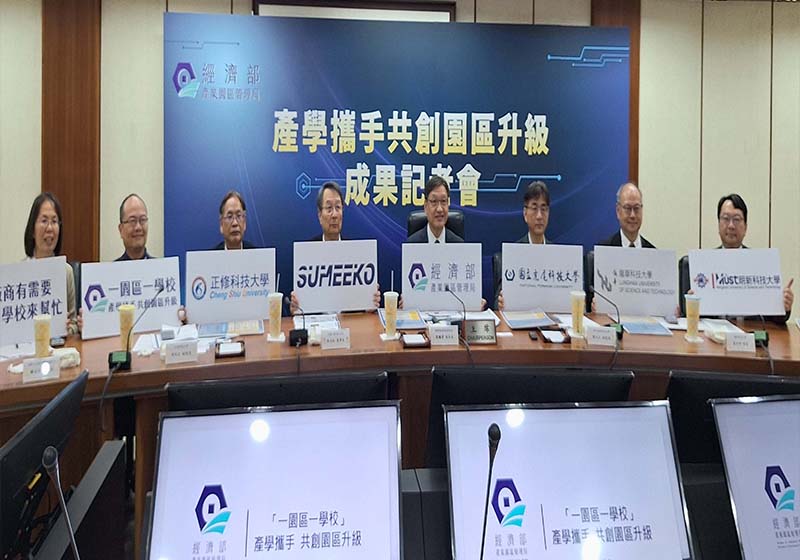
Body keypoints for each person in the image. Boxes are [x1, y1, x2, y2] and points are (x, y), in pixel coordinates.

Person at [682, 194, 793, 323]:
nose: (731, 226)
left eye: (736, 219)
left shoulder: (760, 264)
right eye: (725, 219)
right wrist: (690, 305)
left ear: (745, 227)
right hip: (714, 333)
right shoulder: (703, 264)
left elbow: (775, 320)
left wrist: (784, 306)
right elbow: (691, 319)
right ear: (718, 224)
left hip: (750, 333)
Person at [290, 182, 380, 313]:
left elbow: (363, 308)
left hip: (349, 324)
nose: (334, 215)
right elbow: (299, 307)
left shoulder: (356, 253)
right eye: (329, 208)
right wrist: (296, 307)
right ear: (319, 215)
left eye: (338, 207)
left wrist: (369, 304)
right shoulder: (307, 253)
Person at [24, 192, 77, 336]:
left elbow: (74, 324)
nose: (50, 228)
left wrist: (68, 328)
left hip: (58, 347)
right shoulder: (20, 272)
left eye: (54, 221)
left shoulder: (66, 271)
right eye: (44, 221)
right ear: (32, 230)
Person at [496, 181, 551, 310]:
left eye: (543, 209)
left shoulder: (558, 256)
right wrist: (501, 303)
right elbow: (496, 302)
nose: (539, 216)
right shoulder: (512, 255)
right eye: (534, 208)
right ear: (525, 214)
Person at [406, 175, 465, 243]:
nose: (439, 209)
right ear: (426, 206)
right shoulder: (412, 244)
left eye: (443, 201)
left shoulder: (458, 244)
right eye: (434, 201)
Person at [598, 182, 655, 248]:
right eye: (628, 208)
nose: (632, 215)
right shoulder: (605, 250)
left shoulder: (652, 252)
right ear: (618, 211)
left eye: (636, 208)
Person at [116, 194, 153, 261]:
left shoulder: (160, 267)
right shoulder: (114, 267)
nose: (138, 227)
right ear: (121, 230)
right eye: (132, 221)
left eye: (142, 219)